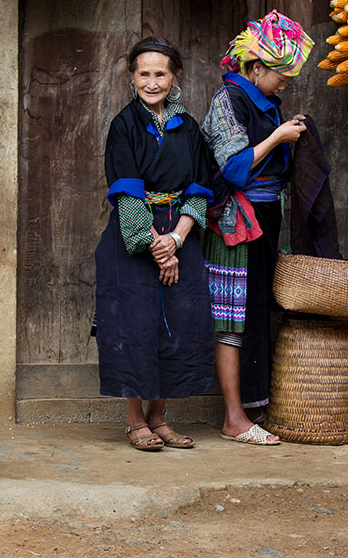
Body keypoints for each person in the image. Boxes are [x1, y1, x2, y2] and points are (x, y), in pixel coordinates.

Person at [94, 37, 214, 452]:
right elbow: (127, 191)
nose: (151, 81)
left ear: (174, 75)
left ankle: (159, 416)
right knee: (135, 324)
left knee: (180, 321)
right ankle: (134, 421)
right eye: (143, 73)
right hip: (135, 237)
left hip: (180, 234)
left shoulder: (189, 127)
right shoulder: (124, 125)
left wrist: (177, 239)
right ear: (132, 77)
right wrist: (154, 245)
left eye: (159, 73)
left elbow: (200, 188)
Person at [202, 10, 314, 446]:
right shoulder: (228, 101)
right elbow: (232, 169)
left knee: (257, 313)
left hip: (265, 218)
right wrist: (277, 139)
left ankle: (253, 410)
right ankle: (233, 418)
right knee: (234, 316)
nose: (286, 81)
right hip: (235, 223)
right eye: (281, 73)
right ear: (256, 67)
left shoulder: (267, 103)